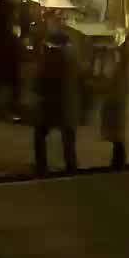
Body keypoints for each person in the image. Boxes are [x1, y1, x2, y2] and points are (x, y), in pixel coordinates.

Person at [34, 29, 79, 175]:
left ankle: (41, 165)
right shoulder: (72, 61)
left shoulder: (49, 61)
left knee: (40, 134)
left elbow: (40, 84)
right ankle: (71, 166)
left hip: (51, 106)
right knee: (68, 138)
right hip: (68, 106)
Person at [102, 37, 129, 168]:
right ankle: (118, 165)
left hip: (121, 108)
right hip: (122, 108)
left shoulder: (127, 69)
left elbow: (120, 89)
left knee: (119, 142)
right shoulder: (128, 67)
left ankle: (118, 167)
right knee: (119, 142)